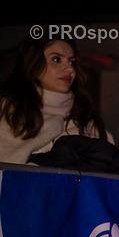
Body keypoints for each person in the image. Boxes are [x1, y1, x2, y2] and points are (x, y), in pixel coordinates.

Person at [0, 36, 112, 165]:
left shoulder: (86, 120)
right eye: (56, 59)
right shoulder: (8, 109)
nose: (69, 69)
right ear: (33, 62)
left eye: (71, 62)